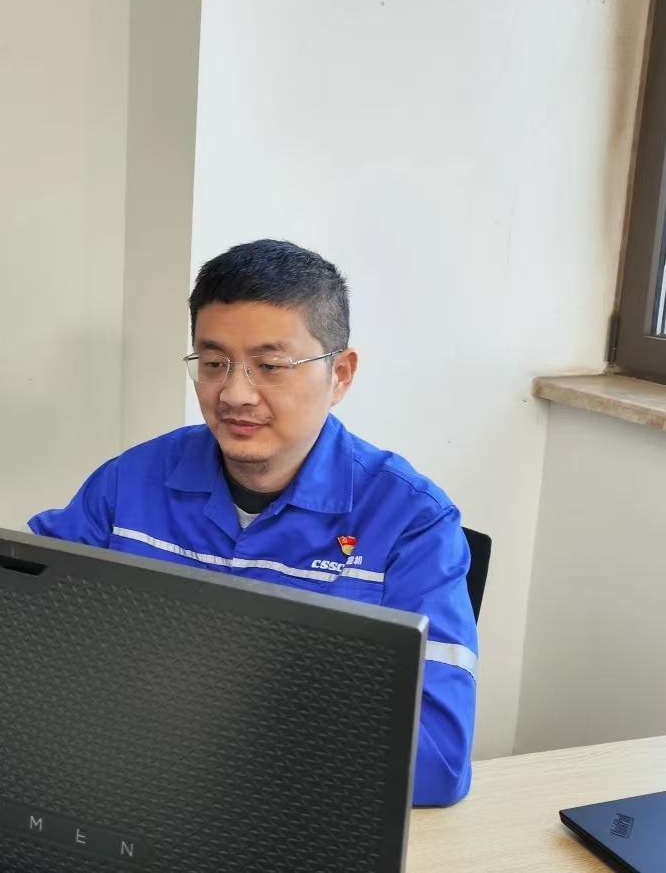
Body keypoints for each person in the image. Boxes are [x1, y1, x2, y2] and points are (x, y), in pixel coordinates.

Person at [30, 239, 477, 807]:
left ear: (340, 374)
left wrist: (192, 716)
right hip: (133, 804)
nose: (235, 394)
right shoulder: (129, 484)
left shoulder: (412, 523)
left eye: (270, 366)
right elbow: (24, 645)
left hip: (294, 818)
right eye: (213, 363)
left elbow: (437, 759)